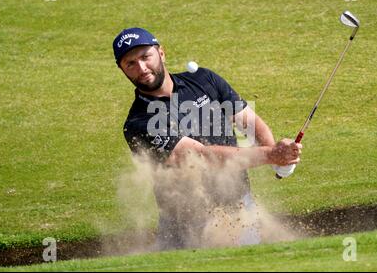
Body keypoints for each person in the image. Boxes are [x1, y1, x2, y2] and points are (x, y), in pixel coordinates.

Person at [112, 27, 302, 250]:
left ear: (161, 53)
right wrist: (271, 155)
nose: (142, 68)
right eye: (130, 64)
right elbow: (200, 156)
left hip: (240, 205)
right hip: (185, 223)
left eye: (145, 57)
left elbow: (248, 122)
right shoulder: (138, 123)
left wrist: (279, 158)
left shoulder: (204, 80)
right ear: (123, 70)